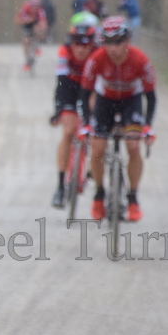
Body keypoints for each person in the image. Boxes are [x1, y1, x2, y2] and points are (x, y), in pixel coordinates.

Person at [79, 15, 156, 222]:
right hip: (106, 101)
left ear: (127, 41)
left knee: (133, 146)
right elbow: (85, 94)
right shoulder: (96, 58)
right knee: (97, 147)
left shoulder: (140, 60)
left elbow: (151, 97)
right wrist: (86, 123)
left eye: (118, 43)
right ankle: (99, 194)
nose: (112, 48)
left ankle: (132, 198)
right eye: (108, 43)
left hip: (131, 101)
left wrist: (147, 126)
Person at [50, 22, 98, 208]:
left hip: (92, 89)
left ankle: (95, 164)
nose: (80, 48)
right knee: (68, 131)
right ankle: (60, 186)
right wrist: (58, 110)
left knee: (96, 131)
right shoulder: (65, 52)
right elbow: (60, 83)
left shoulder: (98, 54)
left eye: (85, 44)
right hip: (70, 88)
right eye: (76, 43)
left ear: (92, 44)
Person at [14, 0, 47, 71]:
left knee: (39, 29)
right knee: (26, 41)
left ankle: (37, 46)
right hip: (26, 24)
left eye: (36, 7)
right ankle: (27, 60)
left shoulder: (40, 10)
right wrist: (28, 20)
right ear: (30, 6)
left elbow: (43, 22)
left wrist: (43, 31)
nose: (35, 9)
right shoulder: (25, 8)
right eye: (33, 7)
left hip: (35, 22)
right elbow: (17, 19)